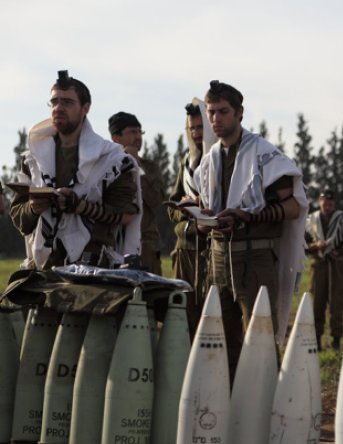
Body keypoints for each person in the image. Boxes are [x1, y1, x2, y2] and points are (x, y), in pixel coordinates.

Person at [193, 80, 308, 379]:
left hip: (255, 259)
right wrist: (203, 218)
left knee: (259, 341)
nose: (216, 119)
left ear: (239, 113)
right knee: (222, 341)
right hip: (219, 258)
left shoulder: (265, 155)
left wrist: (248, 217)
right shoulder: (208, 162)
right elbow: (208, 214)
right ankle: (227, 407)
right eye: (211, 112)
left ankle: (262, 412)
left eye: (223, 111)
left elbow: (294, 207)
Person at [9, 70, 141, 270]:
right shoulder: (33, 159)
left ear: (85, 108)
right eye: (54, 102)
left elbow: (125, 215)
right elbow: (19, 217)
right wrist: (34, 208)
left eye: (67, 102)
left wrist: (81, 207)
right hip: (43, 269)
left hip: (94, 269)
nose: (58, 108)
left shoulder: (112, 161)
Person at [166, 99, 214, 338]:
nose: (196, 133)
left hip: (212, 248)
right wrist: (185, 209)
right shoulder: (187, 162)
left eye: (200, 127)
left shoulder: (220, 160)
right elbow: (172, 206)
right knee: (184, 313)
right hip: (185, 250)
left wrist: (202, 206)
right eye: (192, 128)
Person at [109, 111, 166, 274]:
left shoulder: (150, 167)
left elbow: (156, 201)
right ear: (116, 137)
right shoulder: (106, 167)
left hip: (145, 246)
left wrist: (136, 166)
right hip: (113, 244)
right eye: (132, 132)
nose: (138, 136)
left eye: (140, 132)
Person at [305, 189, 343, 350]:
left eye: (331, 204)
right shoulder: (311, 220)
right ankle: (317, 339)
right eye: (325, 203)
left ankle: (336, 340)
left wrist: (338, 252)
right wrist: (316, 246)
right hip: (319, 265)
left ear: (334, 203)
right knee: (317, 303)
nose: (327, 206)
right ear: (320, 202)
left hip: (337, 267)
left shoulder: (342, 219)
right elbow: (304, 245)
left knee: (337, 304)